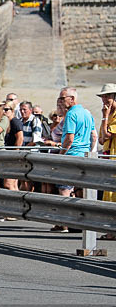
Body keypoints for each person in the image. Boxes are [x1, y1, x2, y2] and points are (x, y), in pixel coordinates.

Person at [51, 88, 96, 232]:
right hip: (84, 155)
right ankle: (82, 221)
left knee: (64, 189)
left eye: (63, 98)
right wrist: (89, 151)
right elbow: (94, 136)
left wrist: (62, 153)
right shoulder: (87, 113)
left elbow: (69, 138)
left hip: (71, 155)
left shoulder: (71, 114)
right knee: (80, 189)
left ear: (72, 99)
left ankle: (64, 222)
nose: (61, 101)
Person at [97, 84, 116, 237]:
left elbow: (107, 134)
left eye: (107, 96)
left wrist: (104, 116)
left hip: (114, 155)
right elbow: (102, 139)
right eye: (103, 96)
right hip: (108, 155)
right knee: (108, 194)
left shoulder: (111, 115)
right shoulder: (108, 114)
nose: (105, 99)